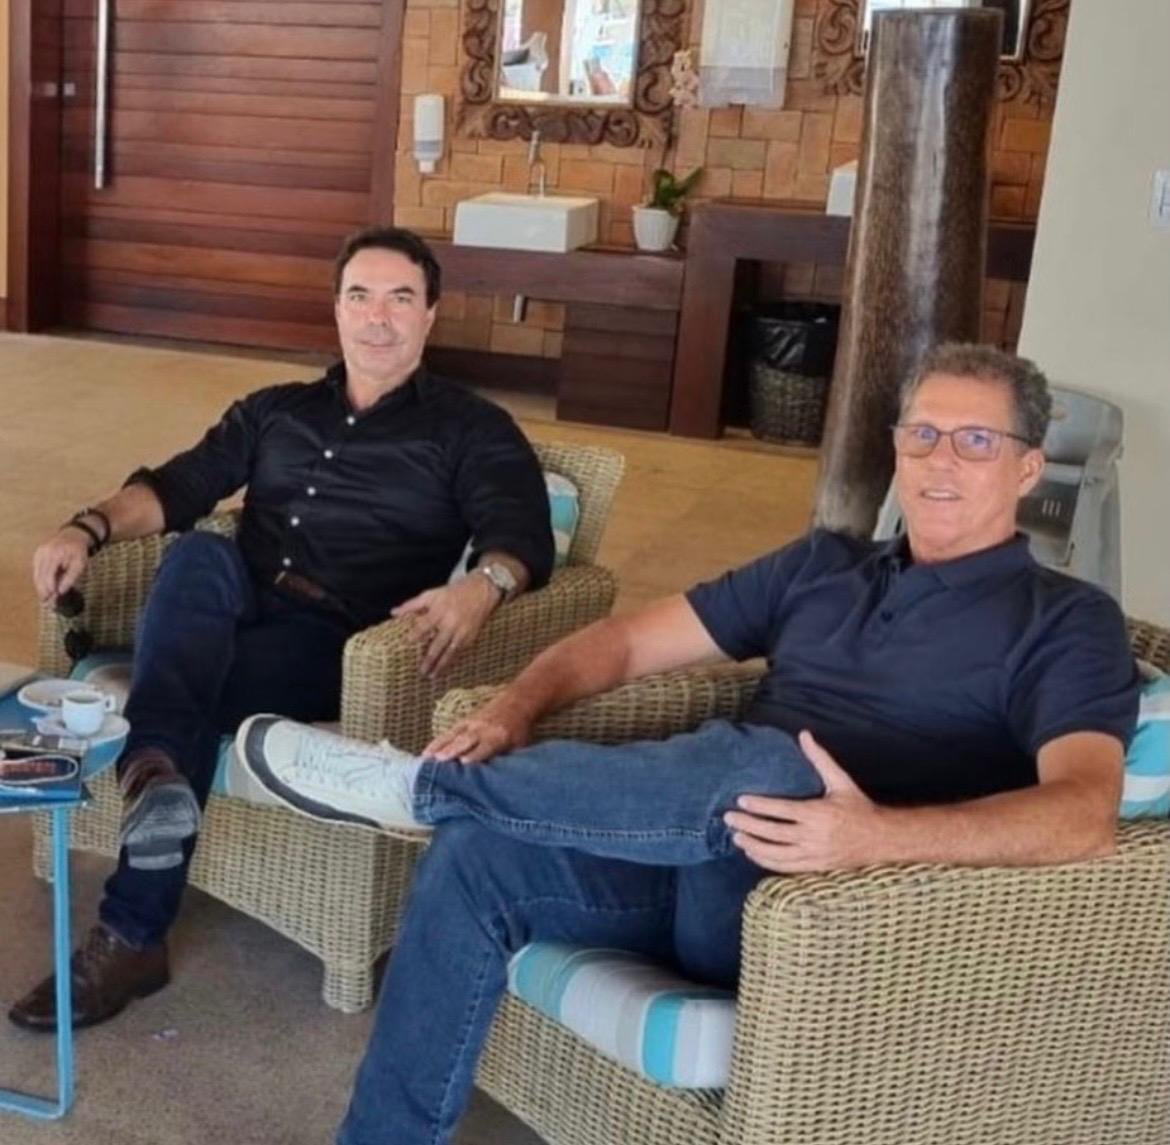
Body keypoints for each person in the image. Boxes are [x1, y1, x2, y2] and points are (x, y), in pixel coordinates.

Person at [238, 343, 1139, 1145]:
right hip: (678, 855)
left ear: (1027, 467)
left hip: (818, 918)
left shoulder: (1066, 620)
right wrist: (514, 707)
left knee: (776, 764)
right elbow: (626, 643)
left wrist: (874, 836)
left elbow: (1084, 813)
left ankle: (419, 789)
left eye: (975, 441)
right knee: (476, 857)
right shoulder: (825, 564)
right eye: (923, 434)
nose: (941, 460)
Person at [9, 226, 555, 1033]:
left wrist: (485, 584)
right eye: (360, 296)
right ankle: (156, 783)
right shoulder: (276, 410)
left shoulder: (472, 428)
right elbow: (181, 483)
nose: (378, 317)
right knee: (198, 552)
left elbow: (522, 533)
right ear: (336, 309)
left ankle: (133, 925)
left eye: (400, 298)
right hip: (234, 599)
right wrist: (84, 527)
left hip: (333, 641)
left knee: (177, 687)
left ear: (430, 314)